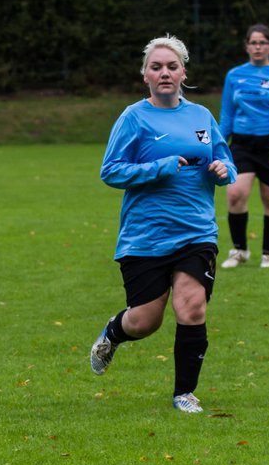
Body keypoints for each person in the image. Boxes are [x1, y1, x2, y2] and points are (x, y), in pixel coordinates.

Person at [90, 35, 236, 414]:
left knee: (192, 308)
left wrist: (223, 170)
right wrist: (160, 167)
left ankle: (184, 393)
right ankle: (113, 333)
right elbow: (111, 171)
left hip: (196, 231)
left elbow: (223, 160)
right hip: (146, 236)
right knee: (144, 322)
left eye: (172, 66)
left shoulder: (201, 116)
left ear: (183, 72)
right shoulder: (134, 117)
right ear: (145, 76)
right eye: (157, 67)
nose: (165, 73)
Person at [219, 24, 269, 269]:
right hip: (242, 144)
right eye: (253, 43)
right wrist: (218, 143)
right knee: (235, 194)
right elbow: (227, 113)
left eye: (262, 43)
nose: (257, 47)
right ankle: (239, 250)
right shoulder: (234, 75)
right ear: (247, 46)